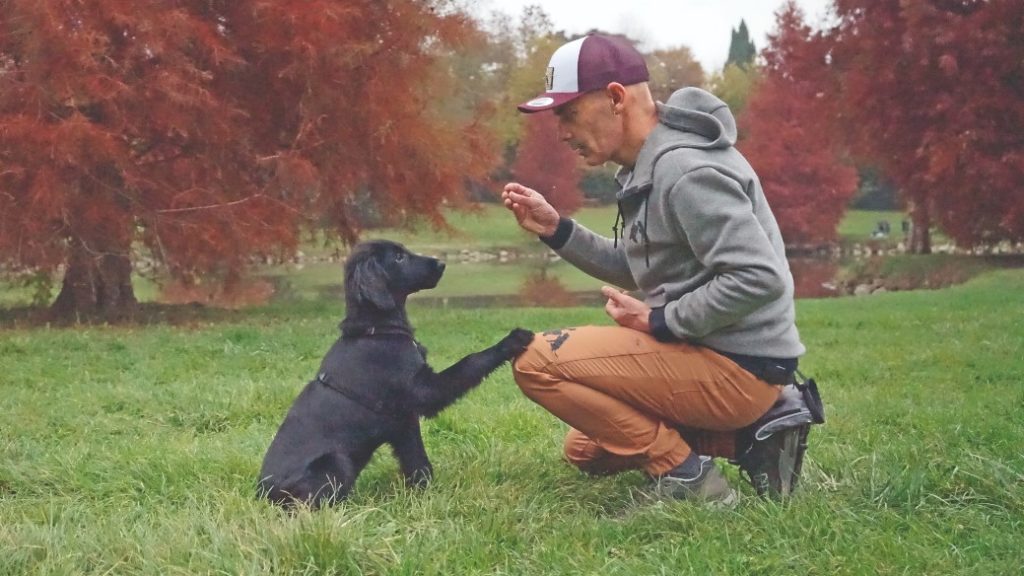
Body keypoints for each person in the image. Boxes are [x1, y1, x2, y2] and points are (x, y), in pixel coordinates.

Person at [502, 34, 821, 502]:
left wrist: (660, 320)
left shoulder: (686, 171)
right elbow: (640, 266)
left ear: (614, 98)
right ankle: (756, 438)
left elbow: (759, 277)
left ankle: (691, 482)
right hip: (712, 356)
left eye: (568, 113)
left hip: (740, 368)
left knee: (535, 360)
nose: (562, 132)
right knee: (589, 450)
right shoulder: (645, 166)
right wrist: (558, 230)